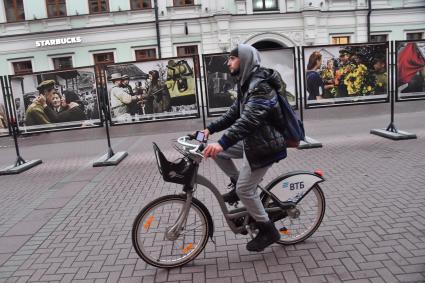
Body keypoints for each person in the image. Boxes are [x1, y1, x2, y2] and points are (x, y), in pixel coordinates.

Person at [199, 44, 288, 252]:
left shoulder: (260, 87)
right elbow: (233, 114)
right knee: (218, 155)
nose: (228, 62)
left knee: (245, 189)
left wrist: (221, 143)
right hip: (253, 140)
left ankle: (268, 230)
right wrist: (208, 130)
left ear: (245, 60)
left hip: (266, 144)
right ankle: (240, 185)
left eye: (232, 58)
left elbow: (248, 120)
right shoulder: (246, 83)